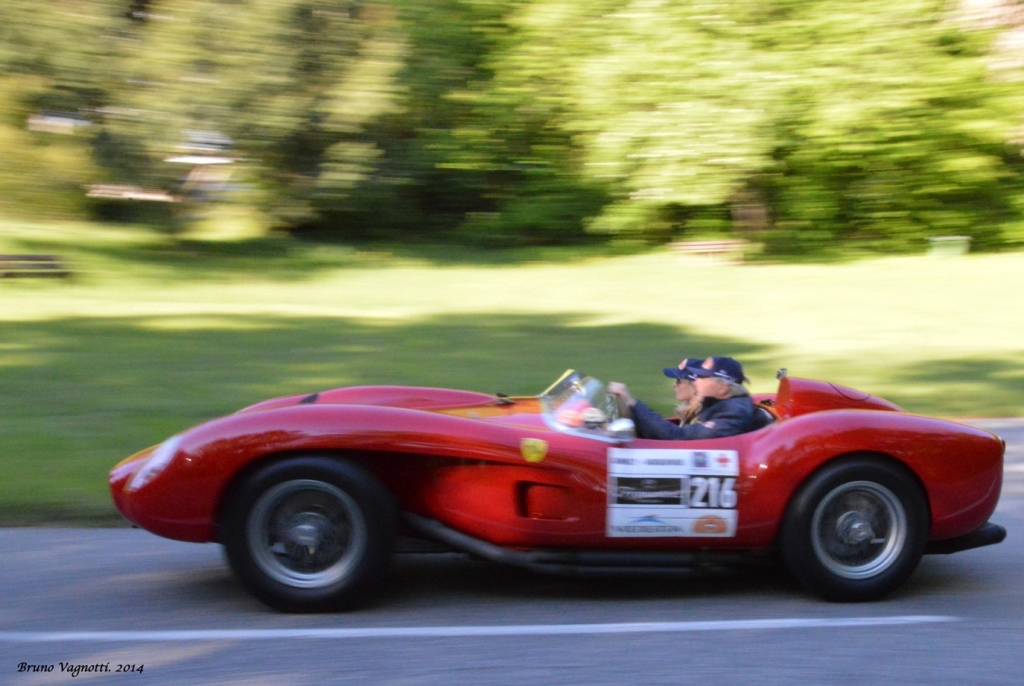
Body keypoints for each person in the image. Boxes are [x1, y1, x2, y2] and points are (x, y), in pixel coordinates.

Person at [608, 356, 758, 440]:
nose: (695, 381)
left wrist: (632, 403)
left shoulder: (733, 415)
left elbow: (678, 437)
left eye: (702, 377)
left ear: (723, 388)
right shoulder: (715, 404)